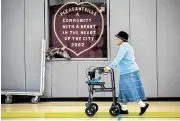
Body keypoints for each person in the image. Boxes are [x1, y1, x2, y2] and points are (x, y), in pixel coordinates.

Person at [104, 31, 149, 115]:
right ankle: (124, 109)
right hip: (128, 71)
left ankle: (143, 105)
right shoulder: (126, 46)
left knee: (129, 89)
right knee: (123, 90)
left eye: (117, 39)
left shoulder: (124, 47)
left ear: (122, 39)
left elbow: (118, 59)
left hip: (129, 72)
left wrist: (109, 67)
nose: (116, 40)